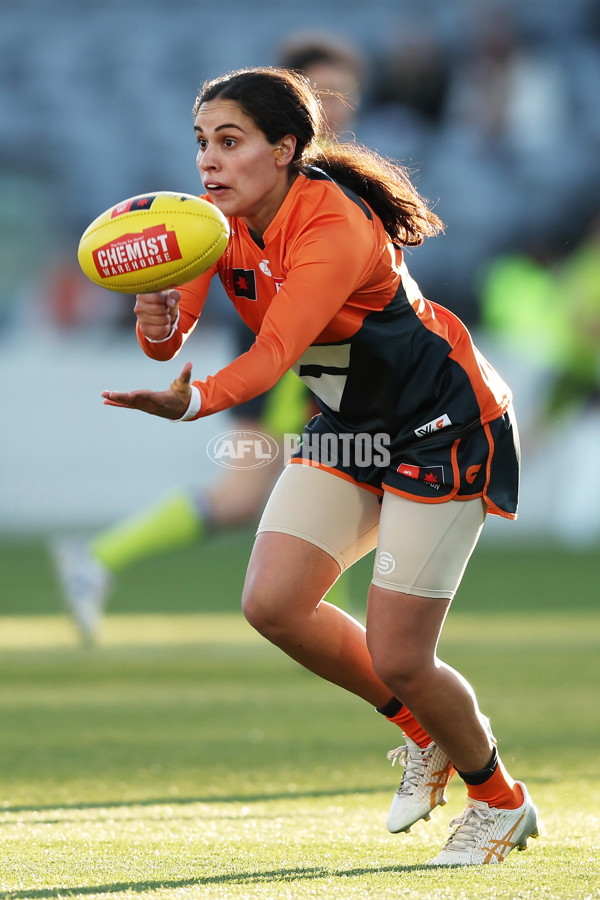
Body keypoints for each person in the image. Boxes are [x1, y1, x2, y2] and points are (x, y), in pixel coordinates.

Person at [100, 66, 539, 866]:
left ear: (287, 148)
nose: (209, 162)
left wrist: (191, 405)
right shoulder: (207, 226)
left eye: (230, 143)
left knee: (403, 655)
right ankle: (423, 735)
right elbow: (171, 340)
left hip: (445, 426)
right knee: (272, 602)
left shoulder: (331, 223)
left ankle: (500, 801)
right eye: (202, 143)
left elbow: (270, 360)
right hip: (351, 428)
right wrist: (154, 317)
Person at [52, 34, 369, 642]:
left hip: (311, 355)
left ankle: (98, 559)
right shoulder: (224, 206)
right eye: (327, 95)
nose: (340, 109)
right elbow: (171, 336)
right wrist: (158, 325)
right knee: (322, 476)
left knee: (285, 487)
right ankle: (343, 630)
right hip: (293, 360)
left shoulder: (335, 192)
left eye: (347, 95)